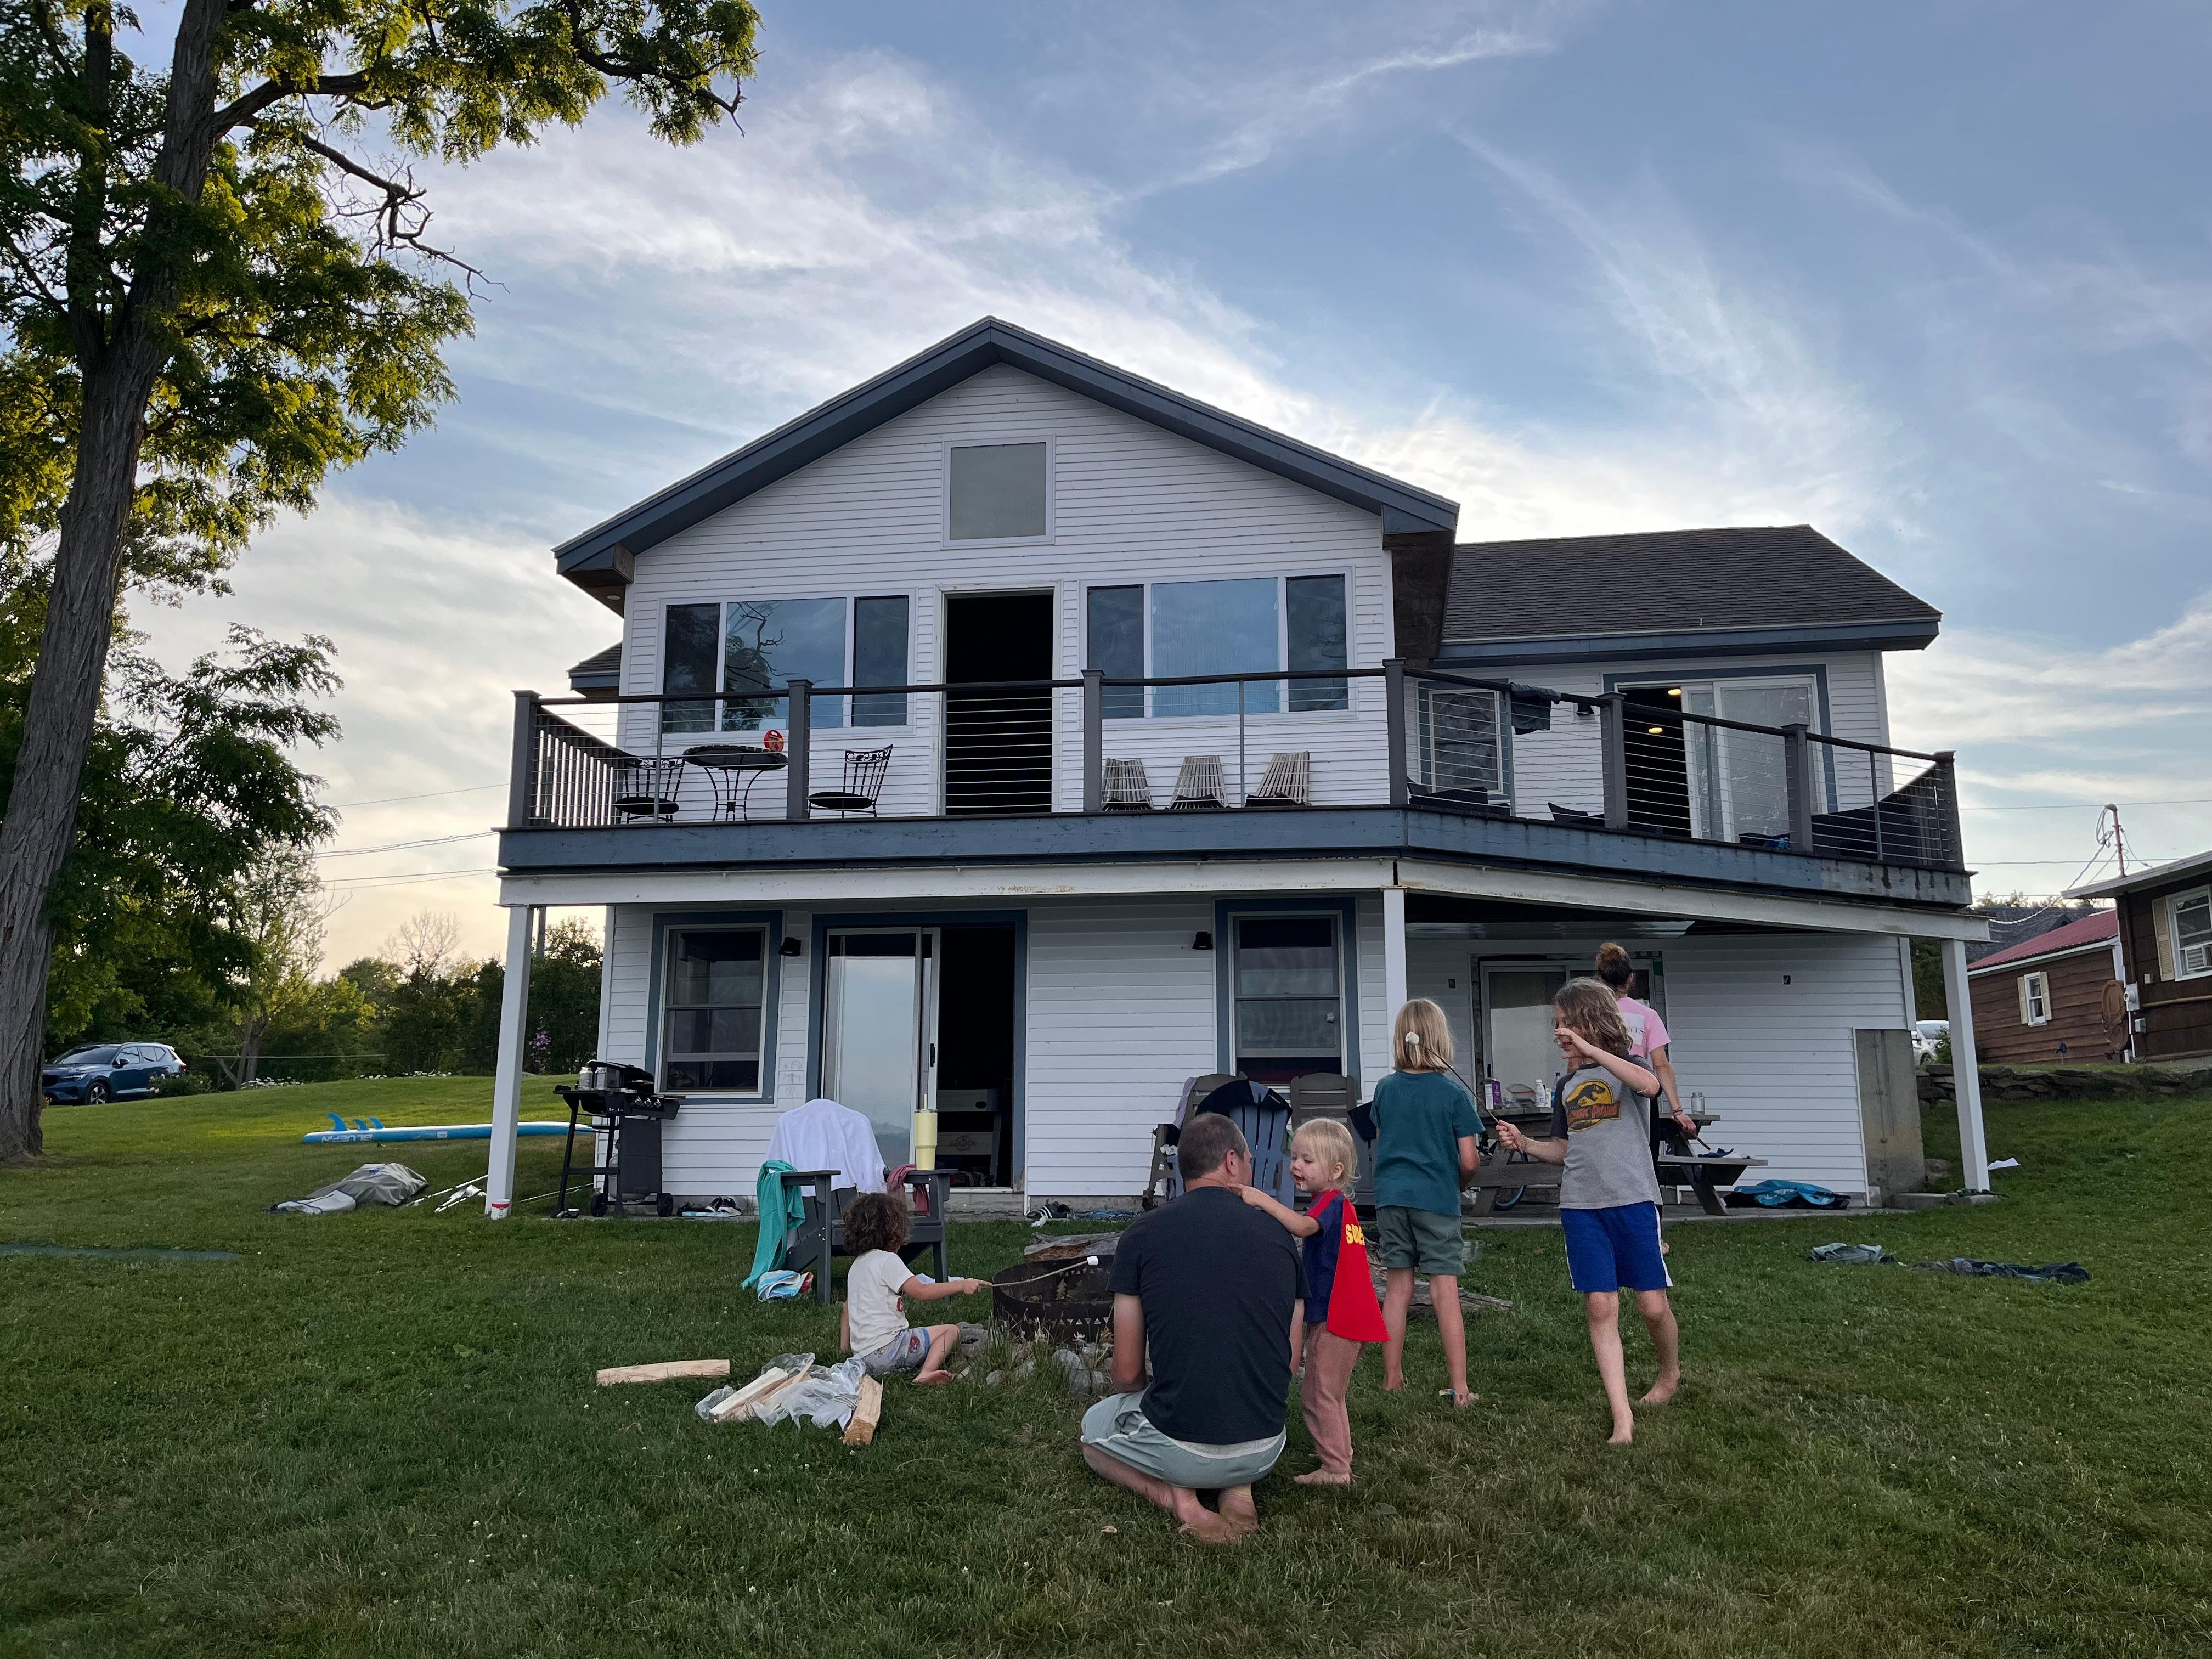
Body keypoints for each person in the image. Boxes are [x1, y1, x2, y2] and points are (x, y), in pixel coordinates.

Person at [1079, 1113, 1303, 1542]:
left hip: (1181, 1448)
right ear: (1232, 1162)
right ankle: (1238, 1487)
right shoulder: (1281, 1238)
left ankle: (1177, 1498)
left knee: (1092, 1432)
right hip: (1266, 1445)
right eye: (1250, 1161)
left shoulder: (1142, 1236)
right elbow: (1289, 1365)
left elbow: (1127, 1374)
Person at [1494, 978, 1679, 1444]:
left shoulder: (1631, 1068)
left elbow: (1651, 1085)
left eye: (1566, 1024)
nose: (1558, 1034)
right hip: (1581, 1206)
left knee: (1652, 1306)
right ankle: (1622, 1416)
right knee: (1600, 1305)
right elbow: (1563, 1149)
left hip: (1634, 1201)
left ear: (1591, 1022)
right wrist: (1526, 1143)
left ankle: (1669, 1373)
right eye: (1556, 1025)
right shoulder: (1566, 1086)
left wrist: (1592, 1051)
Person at [1240, 1117, 1387, 1485]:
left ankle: (1336, 1469)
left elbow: (1303, 1227)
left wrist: (1262, 1200)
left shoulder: (1331, 1203)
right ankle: (1335, 1450)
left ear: (1336, 1171)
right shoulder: (1340, 1206)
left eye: (1308, 1160)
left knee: (1322, 1394)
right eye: (1295, 1157)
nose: (1296, 1166)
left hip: (1338, 1317)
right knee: (1326, 1392)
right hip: (1347, 1314)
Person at [1369, 998, 1483, 1407]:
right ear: (1441, 1038)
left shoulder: (1385, 1089)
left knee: (1397, 1287)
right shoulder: (1453, 1094)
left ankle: (1392, 1378)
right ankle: (1460, 1387)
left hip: (1391, 1198)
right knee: (1444, 1289)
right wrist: (1459, 1184)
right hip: (1436, 1199)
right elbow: (1469, 1161)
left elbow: (1383, 1139)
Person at [837, 1192, 988, 1385]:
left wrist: (844, 1348)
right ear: (894, 1230)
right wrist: (962, 1284)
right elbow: (921, 1292)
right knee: (951, 1331)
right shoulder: (888, 1260)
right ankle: (926, 1373)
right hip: (890, 1350)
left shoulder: (857, 1265)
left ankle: (907, 1366)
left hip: (864, 1359)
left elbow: (847, 1309)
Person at [1593, 944, 1695, 1146]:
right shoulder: (1648, 1015)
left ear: (1600, 981)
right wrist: (1678, 1111)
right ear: (1631, 978)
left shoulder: (1593, 1015)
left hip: (1601, 1094)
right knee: (1646, 1156)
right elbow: (1661, 1065)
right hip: (1641, 1094)